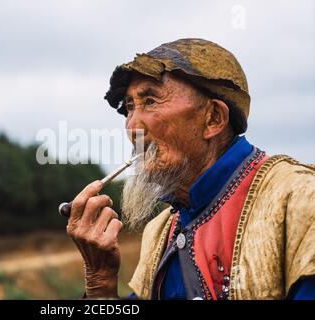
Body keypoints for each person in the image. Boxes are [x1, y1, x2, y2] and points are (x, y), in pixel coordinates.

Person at [66, 38, 315, 300]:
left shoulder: (299, 199)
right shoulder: (160, 231)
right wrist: (100, 283)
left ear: (214, 118)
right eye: (129, 107)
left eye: (150, 101)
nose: (132, 128)